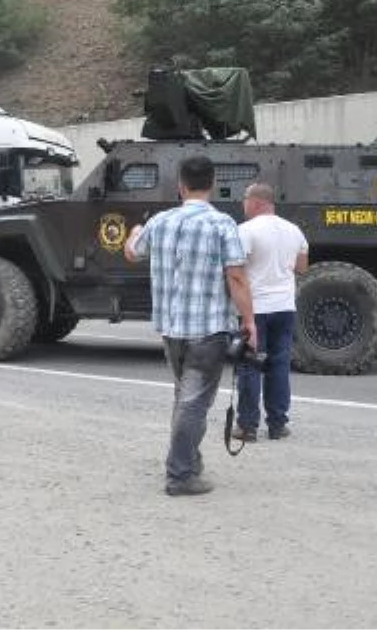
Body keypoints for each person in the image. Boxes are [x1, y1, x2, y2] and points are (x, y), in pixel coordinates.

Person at [125, 155, 257, 497]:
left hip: (172, 330)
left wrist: (136, 231)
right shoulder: (222, 224)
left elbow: (131, 252)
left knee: (184, 397)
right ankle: (180, 475)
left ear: (180, 185)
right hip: (208, 329)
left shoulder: (160, 222)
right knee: (194, 402)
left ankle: (190, 461)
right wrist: (250, 321)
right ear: (211, 184)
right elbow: (237, 277)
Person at [235, 182, 309, 442]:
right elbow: (301, 267)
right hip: (285, 307)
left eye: (245, 199)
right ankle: (277, 425)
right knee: (279, 365)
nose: (242, 204)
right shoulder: (295, 231)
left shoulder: (245, 231)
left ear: (256, 202)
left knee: (250, 365)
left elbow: (236, 271)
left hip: (256, 309)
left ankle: (247, 426)